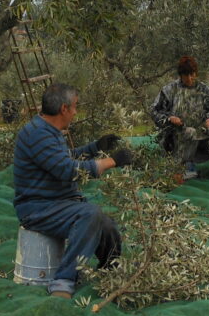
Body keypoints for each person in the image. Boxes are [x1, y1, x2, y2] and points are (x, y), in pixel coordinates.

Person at [13, 82, 132, 298]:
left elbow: (64, 157)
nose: (76, 112)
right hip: (38, 208)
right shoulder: (37, 134)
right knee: (90, 214)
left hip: (57, 203)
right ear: (64, 109)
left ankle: (110, 271)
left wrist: (96, 147)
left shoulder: (48, 130)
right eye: (75, 106)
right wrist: (112, 161)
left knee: (107, 225)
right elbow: (67, 169)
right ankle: (63, 282)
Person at [149, 55, 209, 180]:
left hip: (200, 133)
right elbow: (154, 110)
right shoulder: (170, 90)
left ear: (196, 73)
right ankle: (182, 166)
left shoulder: (204, 89)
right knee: (189, 132)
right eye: (185, 75)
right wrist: (169, 118)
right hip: (175, 136)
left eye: (192, 74)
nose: (189, 78)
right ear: (180, 75)